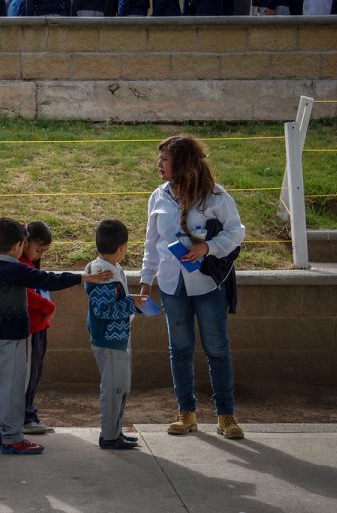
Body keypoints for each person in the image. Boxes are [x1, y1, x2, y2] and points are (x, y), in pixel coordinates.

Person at [140, 134, 246, 440]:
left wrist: (207, 248)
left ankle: (226, 416)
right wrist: (146, 282)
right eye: (159, 159)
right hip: (172, 286)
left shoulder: (215, 195)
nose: (158, 165)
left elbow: (236, 232)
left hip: (208, 285)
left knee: (217, 349)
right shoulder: (158, 197)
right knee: (180, 349)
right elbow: (152, 243)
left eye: (164, 159)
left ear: (182, 162)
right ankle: (186, 413)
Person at [0, 217, 113, 455]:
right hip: (14, 338)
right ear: (17, 246)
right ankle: (12, 437)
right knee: (13, 387)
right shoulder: (15, 269)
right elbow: (49, 280)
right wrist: (83, 277)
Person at [85, 219, 147, 450]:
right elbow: (102, 310)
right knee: (113, 389)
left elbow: (112, 301)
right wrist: (133, 305)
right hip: (110, 339)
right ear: (122, 247)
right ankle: (109, 436)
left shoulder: (108, 269)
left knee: (121, 386)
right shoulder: (105, 275)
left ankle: (115, 432)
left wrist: (131, 300)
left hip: (117, 337)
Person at [19, 221, 55, 435]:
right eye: (38, 249)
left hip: (39, 326)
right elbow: (26, 292)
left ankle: (29, 412)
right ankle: (25, 415)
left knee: (35, 372)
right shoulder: (20, 265)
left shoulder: (30, 264)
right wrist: (47, 306)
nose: (39, 254)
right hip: (31, 328)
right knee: (30, 373)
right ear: (25, 242)